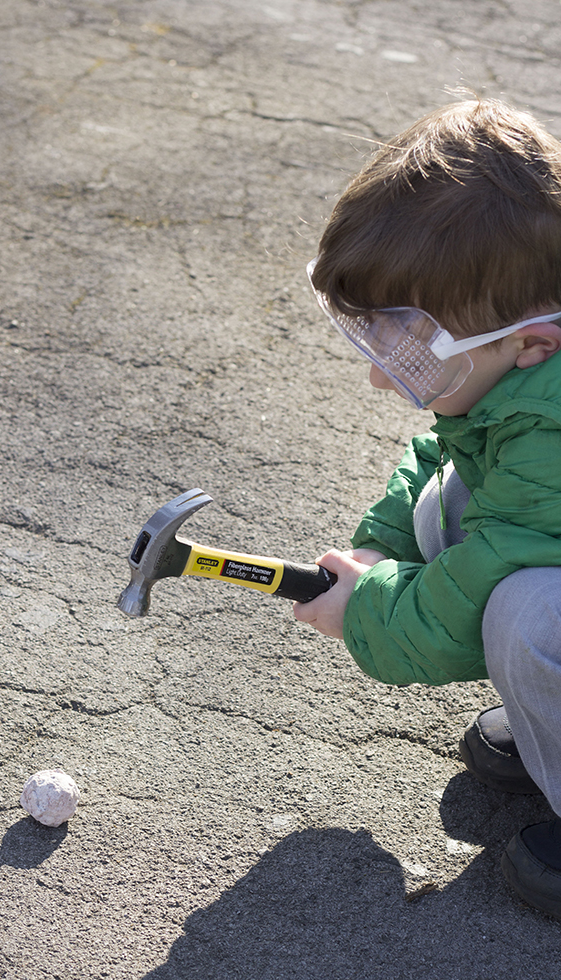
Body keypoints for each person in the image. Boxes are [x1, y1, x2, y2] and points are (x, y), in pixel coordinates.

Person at [294, 97, 561, 920]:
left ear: (531, 342)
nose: (382, 378)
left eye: (409, 352)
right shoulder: (518, 379)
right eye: (374, 341)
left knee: (528, 613)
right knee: (445, 504)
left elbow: (490, 572)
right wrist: (377, 552)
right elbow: (442, 458)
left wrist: (366, 613)